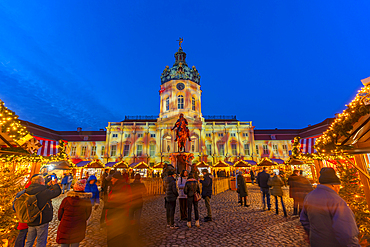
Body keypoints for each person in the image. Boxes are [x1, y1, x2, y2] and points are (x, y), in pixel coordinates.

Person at [300, 167, 360, 246]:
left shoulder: (310, 196)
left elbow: (303, 219)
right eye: (339, 186)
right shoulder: (336, 201)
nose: (339, 189)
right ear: (333, 185)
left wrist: (313, 233)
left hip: (316, 242)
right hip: (333, 243)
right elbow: (345, 231)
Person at [24, 175, 61, 247]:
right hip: (41, 219)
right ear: (41, 183)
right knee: (41, 241)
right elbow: (57, 192)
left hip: (31, 219)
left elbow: (39, 190)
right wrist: (55, 184)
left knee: (29, 241)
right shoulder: (45, 192)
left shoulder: (28, 190)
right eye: (44, 181)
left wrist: (47, 186)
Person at [56, 179, 92, 247]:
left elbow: (60, 213)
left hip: (65, 225)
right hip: (78, 225)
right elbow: (88, 214)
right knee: (75, 242)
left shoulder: (66, 200)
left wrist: (62, 219)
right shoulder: (86, 201)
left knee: (64, 241)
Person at [105, 172, 134, 247]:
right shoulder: (114, 186)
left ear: (116, 179)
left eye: (112, 178)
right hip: (115, 216)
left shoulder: (124, 187)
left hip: (118, 216)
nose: (111, 180)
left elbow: (127, 202)